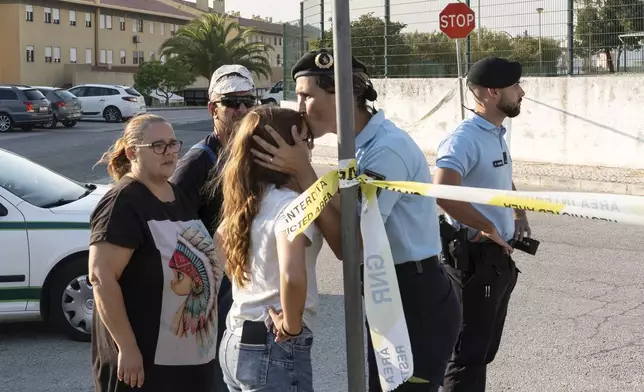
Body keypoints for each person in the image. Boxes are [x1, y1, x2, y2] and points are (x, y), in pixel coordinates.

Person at [250, 48, 462, 392]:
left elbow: (353, 246)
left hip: (413, 296)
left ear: (346, 94)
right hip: (390, 290)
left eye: (306, 96)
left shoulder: (384, 150)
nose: (299, 108)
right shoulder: (359, 145)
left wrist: (304, 172)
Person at [88, 114, 224, 392]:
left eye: (174, 144)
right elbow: (101, 277)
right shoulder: (123, 202)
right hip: (145, 366)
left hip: (189, 362)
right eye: (158, 146)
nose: (170, 152)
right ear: (131, 152)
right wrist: (126, 347)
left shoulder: (178, 196)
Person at [433, 56, 531, 392]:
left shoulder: (495, 133)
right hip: (474, 262)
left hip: (496, 259)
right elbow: (442, 193)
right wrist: (486, 226)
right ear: (492, 92)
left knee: (481, 354)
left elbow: (501, 180)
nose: (522, 92)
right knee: (465, 357)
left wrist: (518, 212)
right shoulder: (464, 138)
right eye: (515, 86)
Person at [213, 105, 321, 392]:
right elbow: (292, 275)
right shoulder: (291, 206)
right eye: (305, 140)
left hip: (236, 336)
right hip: (274, 343)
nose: (309, 148)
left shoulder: (247, 200)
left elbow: (219, 242)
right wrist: (291, 326)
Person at [169, 64, 256, 390]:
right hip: (213, 289)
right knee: (217, 376)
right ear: (213, 108)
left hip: (244, 283)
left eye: (249, 101)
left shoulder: (249, 151)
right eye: (233, 102)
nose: (243, 109)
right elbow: (173, 231)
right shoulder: (197, 162)